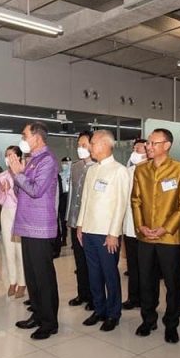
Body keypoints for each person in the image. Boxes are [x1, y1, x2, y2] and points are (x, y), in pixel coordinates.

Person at [131, 128, 180, 344]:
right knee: (146, 281)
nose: (148, 146)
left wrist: (165, 228)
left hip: (170, 237)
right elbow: (136, 200)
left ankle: (171, 324)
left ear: (166, 145)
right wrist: (141, 226)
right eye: (148, 143)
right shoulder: (141, 170)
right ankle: (148, 319)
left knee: (172, 283)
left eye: (153, 143)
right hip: (146, 236)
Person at [76, 130, 131, 332]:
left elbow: (121, 204)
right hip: (89, 230)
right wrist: (80, 225)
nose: (90, 147)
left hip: (107, 233)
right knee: (94, 274)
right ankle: (99, 309)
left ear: (105, 144)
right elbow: (86, 200)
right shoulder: (92, 170)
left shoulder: (119, 171)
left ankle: (113, 313)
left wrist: (114, 233)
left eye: (92, 143)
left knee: (110, 274)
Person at [10, 122, 60, 340]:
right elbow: (20, 190)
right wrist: (18, 174)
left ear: (37, 137)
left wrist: (18, 174)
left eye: (25, 135)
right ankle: (38, 315)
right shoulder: (32, 160)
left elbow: (36, 190)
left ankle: (50, 323)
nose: (22, 139)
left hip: (40, 226)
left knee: (43, 276)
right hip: (27, 224)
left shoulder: (47, 160)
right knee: (31, 275)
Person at [66, 131, 96, 310]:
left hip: (90, 223)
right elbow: (72, 195)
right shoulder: (76, 167)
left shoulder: (98, 167)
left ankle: (94, 297)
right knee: (79, 261)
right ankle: (82, 293)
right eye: (78, 145)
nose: (80, 148)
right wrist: (69, 218)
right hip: (75, 220)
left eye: (84, 145)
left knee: (91, 262)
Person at [0, 146, 26, 298]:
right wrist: (3, 191)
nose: (8, 158)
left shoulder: (24, 174)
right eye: (6, 155)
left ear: (18, 157)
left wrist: (11, 190)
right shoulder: (2, 175)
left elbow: (25, 198)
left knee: (20, 250)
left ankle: (22, 283)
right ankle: (12, 281)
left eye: (11, 155)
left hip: (20, 214)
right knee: (8, 249)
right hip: (6, 213)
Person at [122, 138, 148, 310]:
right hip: (129, 226)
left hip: (145, 227)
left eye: (138, 149)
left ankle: (146, 299)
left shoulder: (151, 171)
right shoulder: (128, 171)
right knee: (132, 265)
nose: (135, 152)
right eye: (134, 149)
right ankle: (133, 297)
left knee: (146, 267)